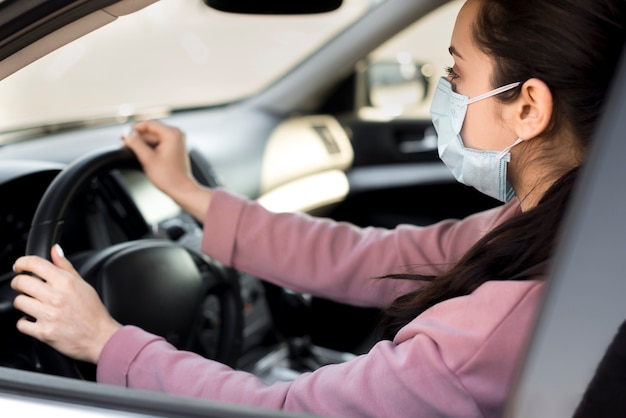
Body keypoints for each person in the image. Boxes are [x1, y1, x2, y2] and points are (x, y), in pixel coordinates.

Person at [10, 0, 626, 416]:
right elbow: (380, 257)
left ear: (528, 108)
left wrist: (105, 339)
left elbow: (286, 410)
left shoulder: (489, 329)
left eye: (455, 73)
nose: (444, 92)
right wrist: (196, 196)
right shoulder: (562, 224)